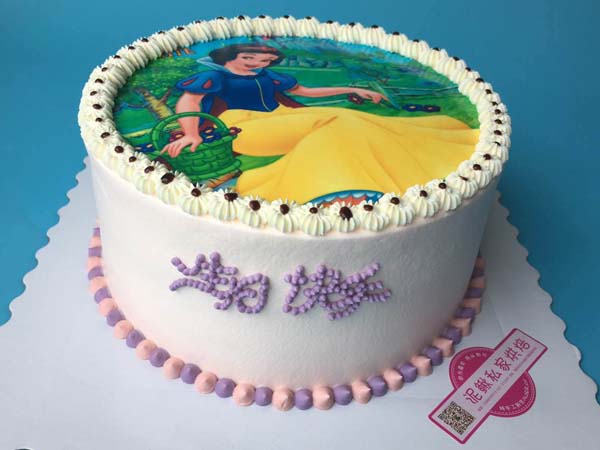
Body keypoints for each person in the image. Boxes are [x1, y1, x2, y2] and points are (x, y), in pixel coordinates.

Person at [162, 43, 478, 203]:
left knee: (348, 118)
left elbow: (306, 92)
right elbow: (189, 101)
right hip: (243, 127)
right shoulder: (213, 77)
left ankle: (404, 171)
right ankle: (332, 187)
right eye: (250, 59)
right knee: (338, 123)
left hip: (284, 118)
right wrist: (191, 133)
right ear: (228, 58)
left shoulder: (270, 77)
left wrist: (352, 89)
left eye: (265, 61)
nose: (258, 64)